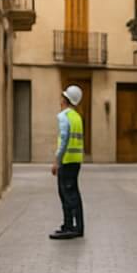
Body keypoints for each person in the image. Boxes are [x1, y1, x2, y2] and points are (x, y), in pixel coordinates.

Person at [49, 84, 85, 240]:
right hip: (76, 161)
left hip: (67, 160)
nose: (60, 101)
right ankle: (76, 226)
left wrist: (57, 161)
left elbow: (63, 140)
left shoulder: (64, 116)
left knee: (66, 194)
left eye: (62, 98)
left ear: (65, 100)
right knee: (74, 193)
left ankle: (70, 227)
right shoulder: (77, 117)